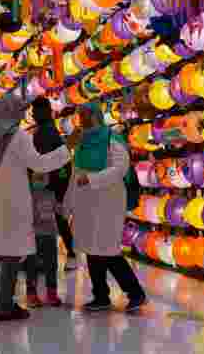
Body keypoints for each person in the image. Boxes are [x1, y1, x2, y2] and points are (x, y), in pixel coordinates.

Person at [0, 91, 75, 322]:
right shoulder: (18, 137)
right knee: (12, 251)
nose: (22, 117)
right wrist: (66, 149)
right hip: (14, 200)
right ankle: (6, 305)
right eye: (19, 112)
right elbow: (39, 164)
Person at [66, 103, 146, 312]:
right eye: (80, 115)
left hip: (109, 201)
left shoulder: (112, 139)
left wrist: (92, 179)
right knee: (92, 249)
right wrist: (69, 203)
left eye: (85, 115)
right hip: (87, 203)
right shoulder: (81, 141)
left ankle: (135, 293)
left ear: (95, 116)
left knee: (107, 249)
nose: (82, 119)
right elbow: (76, 173)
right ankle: (100, 296)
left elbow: (120, 169)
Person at [31, 97, 77, 271]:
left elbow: (48, 160)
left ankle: (62, 256)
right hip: (53, 181)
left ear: (44, 111)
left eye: (36, 111)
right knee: (55, 220)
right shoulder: (45, 129)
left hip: (53, 182)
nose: (33, 115)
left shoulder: (46, 131)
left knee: (53, 220)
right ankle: (51, 257)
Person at [22, 172, 63, 308]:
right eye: (37, 177)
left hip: (50, 235)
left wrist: (67, 208)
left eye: (42, 177)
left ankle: (51, 292)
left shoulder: (50, 194)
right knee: (31, 266)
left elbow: (59, 209)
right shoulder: (27, 195)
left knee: (51, 265)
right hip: (32, 235)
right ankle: (31, 293)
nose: (40, 180)